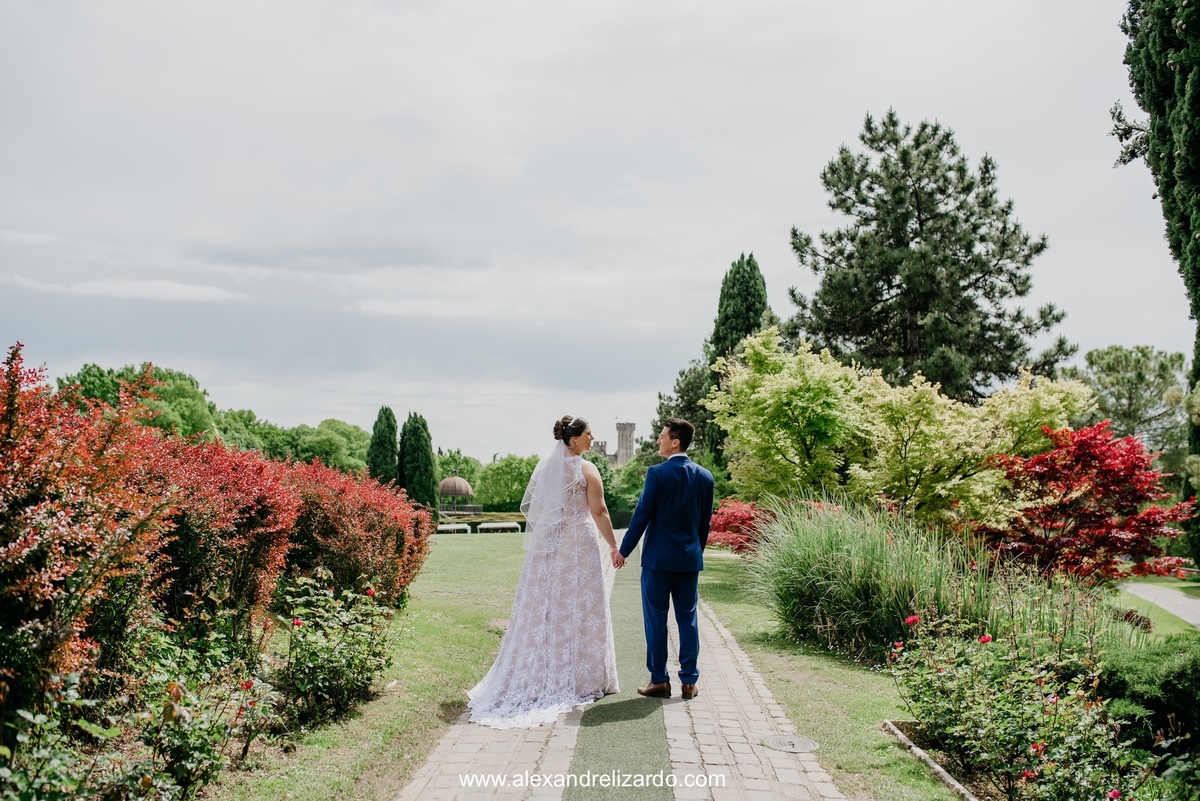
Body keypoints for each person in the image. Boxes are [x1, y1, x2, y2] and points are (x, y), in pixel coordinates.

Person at [467, 415, 625, 728]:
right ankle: (582, 677)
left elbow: (538, 513)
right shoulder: (586, 469)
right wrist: (613, 546)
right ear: (575, 439)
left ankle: (546, 671)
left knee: (547, 609)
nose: (593, 439)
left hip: (550, 548)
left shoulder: (544, 468)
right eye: (589, 434)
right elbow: (599, 511)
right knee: (581, 608)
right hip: (579, 546)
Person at [618, 418, 714, 701]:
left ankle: (659, 680)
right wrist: (696, 552)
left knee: (656, 620)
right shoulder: (706, 476)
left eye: (662, 437)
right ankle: (689, 682)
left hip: (658, 561)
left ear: (675, 442)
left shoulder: (657, 473)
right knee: (688, 620)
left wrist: (623, 550)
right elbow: (704, 524)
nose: (658, 440)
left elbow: (642, 515)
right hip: (688, 560)